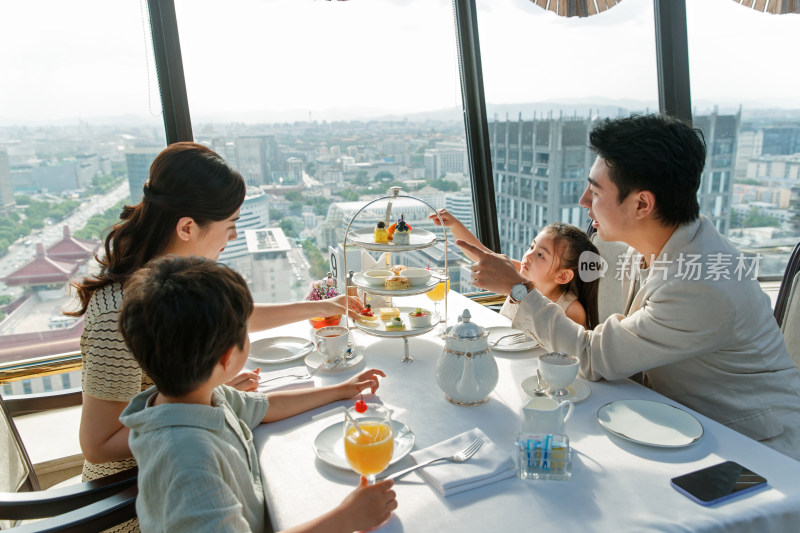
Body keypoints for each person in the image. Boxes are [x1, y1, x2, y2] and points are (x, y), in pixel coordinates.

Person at [459, 114, 800, 460]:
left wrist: (519, 289)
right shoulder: (665, 242)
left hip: (759, 449)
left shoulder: (699, 285)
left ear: (641, 204)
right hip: (685, 425)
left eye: (594, 190)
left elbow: (592, 357)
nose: (583, 201)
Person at [69, 143, 364, 493]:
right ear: (187, 227)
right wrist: (207, 396)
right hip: (142, 489)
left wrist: (326, 307)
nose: (234, 235)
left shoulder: (176, 273)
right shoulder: (114, 313)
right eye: (230, 223)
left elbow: (229, 318)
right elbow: (98, 446)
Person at [118, 256, 395, 532]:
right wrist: (346, 518)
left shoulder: (196, 395)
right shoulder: (188, 461)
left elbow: (263, 406)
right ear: (228, 357)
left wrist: (340, 390)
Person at [429, 210, 599, 329]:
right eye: (531, 247)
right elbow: (482, 255)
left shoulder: (571, 310)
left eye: (540, 255)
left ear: (562, 276)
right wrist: (454, 224)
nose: (528, 256)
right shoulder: (518, 274)